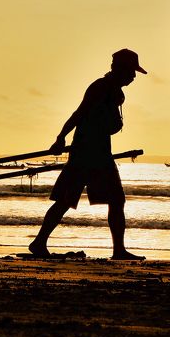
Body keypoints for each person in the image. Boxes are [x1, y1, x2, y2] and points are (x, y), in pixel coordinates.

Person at [29, 48, 147, 261]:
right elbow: (80, 113)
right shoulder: (99, 88)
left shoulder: (114, 91)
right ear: (120, 69)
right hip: (86, 152)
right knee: (68, 200)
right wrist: (61, 137)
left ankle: (117, 249)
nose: (133, 77)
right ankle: (39, 242)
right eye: (131, 71)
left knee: (114, 200)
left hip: (100, 152)